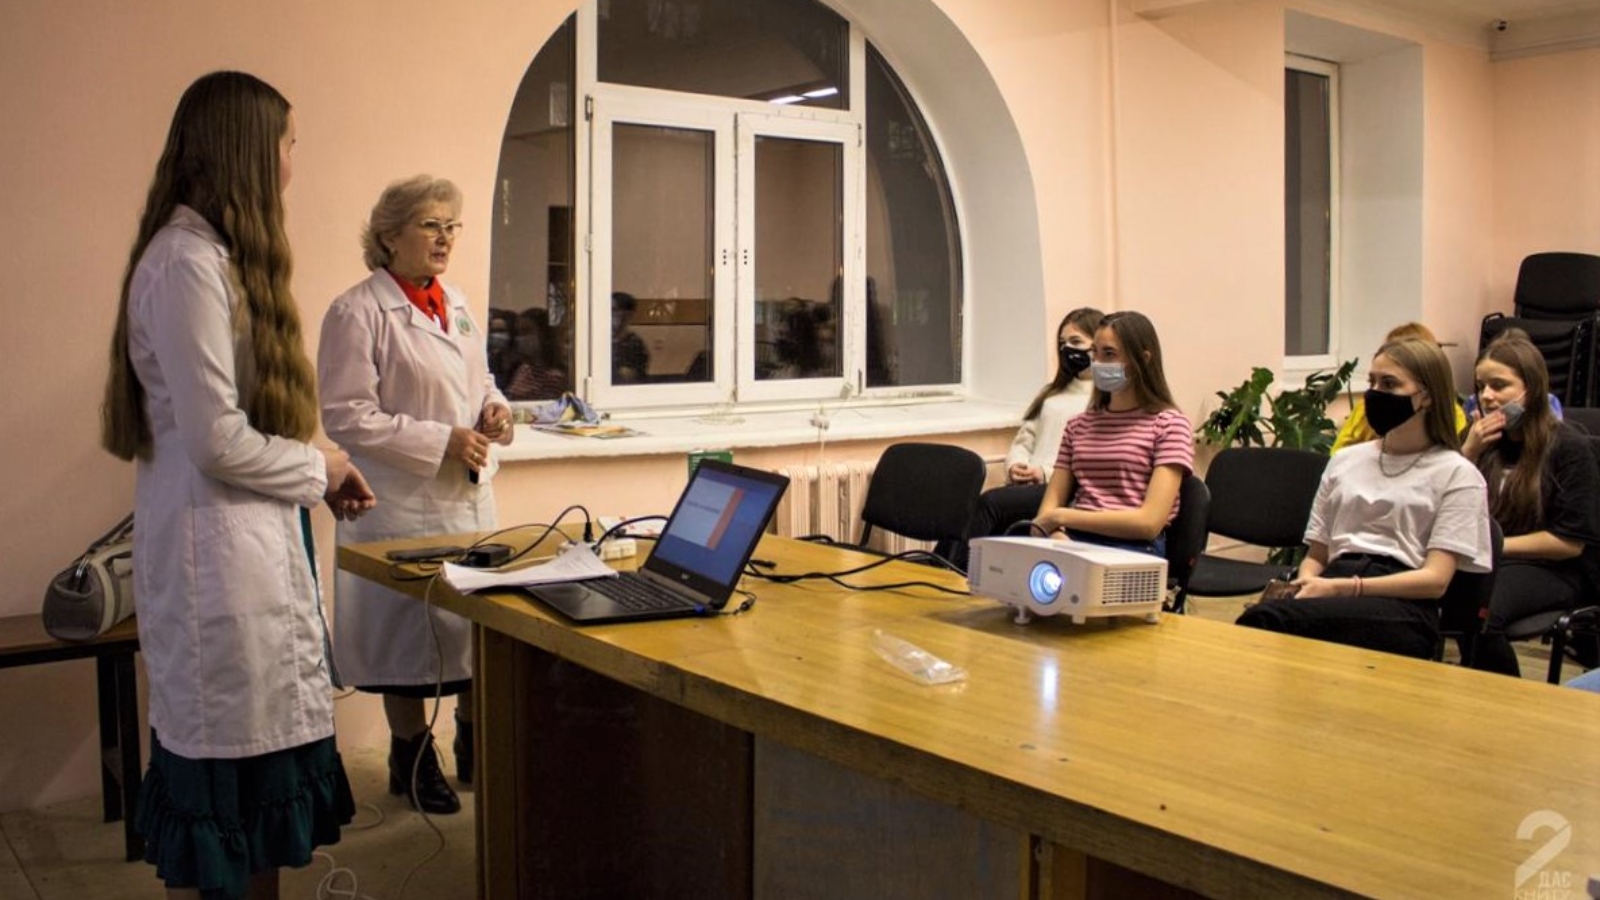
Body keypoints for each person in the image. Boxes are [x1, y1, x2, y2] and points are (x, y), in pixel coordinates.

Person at [100, 70, 372, 900]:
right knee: (224, 805)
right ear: (248, 152)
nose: (293, 163)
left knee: (254, 804)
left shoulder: (209, 257)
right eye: (287, 145)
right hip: (215, 564)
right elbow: (216, 439)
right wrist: (319, 468)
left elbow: (229, 429)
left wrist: (311, 471)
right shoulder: (185, 263)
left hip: (245, 551)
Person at [318, 175, 514, 816]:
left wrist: (496, 412)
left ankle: (472, 740)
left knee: (471, 627)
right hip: (398, 505)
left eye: (451, 226)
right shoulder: (356, 311)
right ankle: (411, 753)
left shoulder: (455, 302)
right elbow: (347, 416)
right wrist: (441, 440)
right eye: (431, 225)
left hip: (465, 499)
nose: (445, 238)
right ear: (389, 235)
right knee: (403, 638)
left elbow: (481, 380)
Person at [1237, 338, 1493, 659]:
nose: (1374, 393)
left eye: (1389, 384)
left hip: (1402, 604)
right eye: (1372, 382)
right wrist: (1307, 584)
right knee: (1269, 622)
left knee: (1266, 620)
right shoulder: (1345, 461)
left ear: (1427, 395)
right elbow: (1317, 554)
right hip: (1335, 582)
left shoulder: (1458, 474)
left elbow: (1435, 580)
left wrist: (1346, 588)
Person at [1460, 332, 1600, 677]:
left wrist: (1493, 546)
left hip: (1555, 568)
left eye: (1499, 385)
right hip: (1490, 560)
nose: (1487, 396)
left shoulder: (1569, 447)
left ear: (1531, 388)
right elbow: (1440, 507)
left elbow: (1568, 544)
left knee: (1480, 614)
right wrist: (1468, 454)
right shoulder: (1479, 441)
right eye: (1481, 386)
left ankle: (1507, 700)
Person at [1030, 310, 1194, 557]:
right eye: (1095, 352)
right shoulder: (1077, 426)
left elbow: (1149, 523)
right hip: (1073, 542)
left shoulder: (1170, 425)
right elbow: (1045, 515)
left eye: (1109, 354)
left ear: (1143, 359)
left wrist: (1062, 517)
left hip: (1134, 548)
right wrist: (1057, 537)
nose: (1097, 363)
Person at [952, 307, 1101, 570]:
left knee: (991, 503)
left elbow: (1091, 460)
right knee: (968, 505)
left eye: (1076, 342)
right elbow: (1025, 438)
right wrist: (1015, 466)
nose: (1067, 349)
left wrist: (1043, 473)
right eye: (1062, 344)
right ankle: (940, 567)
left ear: (1097, 346)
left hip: (1061, 489)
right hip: (1028, 483)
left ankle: (955, 570)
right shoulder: (1051, 392)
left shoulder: (1103, 399)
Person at [1331, 322, 1472, 452]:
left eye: (1390, 384)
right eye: (1372, 381)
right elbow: (1338, 453)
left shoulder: (1452, 416)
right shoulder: (1364, 410)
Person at [504, 307, 568, 400]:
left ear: (543, 334)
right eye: (518, 333)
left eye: (527, 331)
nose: (520, 338)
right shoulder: (524, 369)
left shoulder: (554, 377)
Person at [612, 291, 650, 383]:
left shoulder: (634, 345)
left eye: (614, 310)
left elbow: (635, 376)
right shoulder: (598, 340)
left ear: (627, 315)